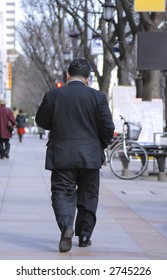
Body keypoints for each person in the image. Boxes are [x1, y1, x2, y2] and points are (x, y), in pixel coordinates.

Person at [35, 59, 115, 253]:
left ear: (67, 75)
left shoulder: (53, 95)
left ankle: (66, 227)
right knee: (89, 195)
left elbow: (41, 120)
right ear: (88, 78)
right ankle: (85, 235)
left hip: (62, 154)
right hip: (90, 156)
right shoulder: (98, 97)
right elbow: (108, 128)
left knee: (62, 193)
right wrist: (100, 145)